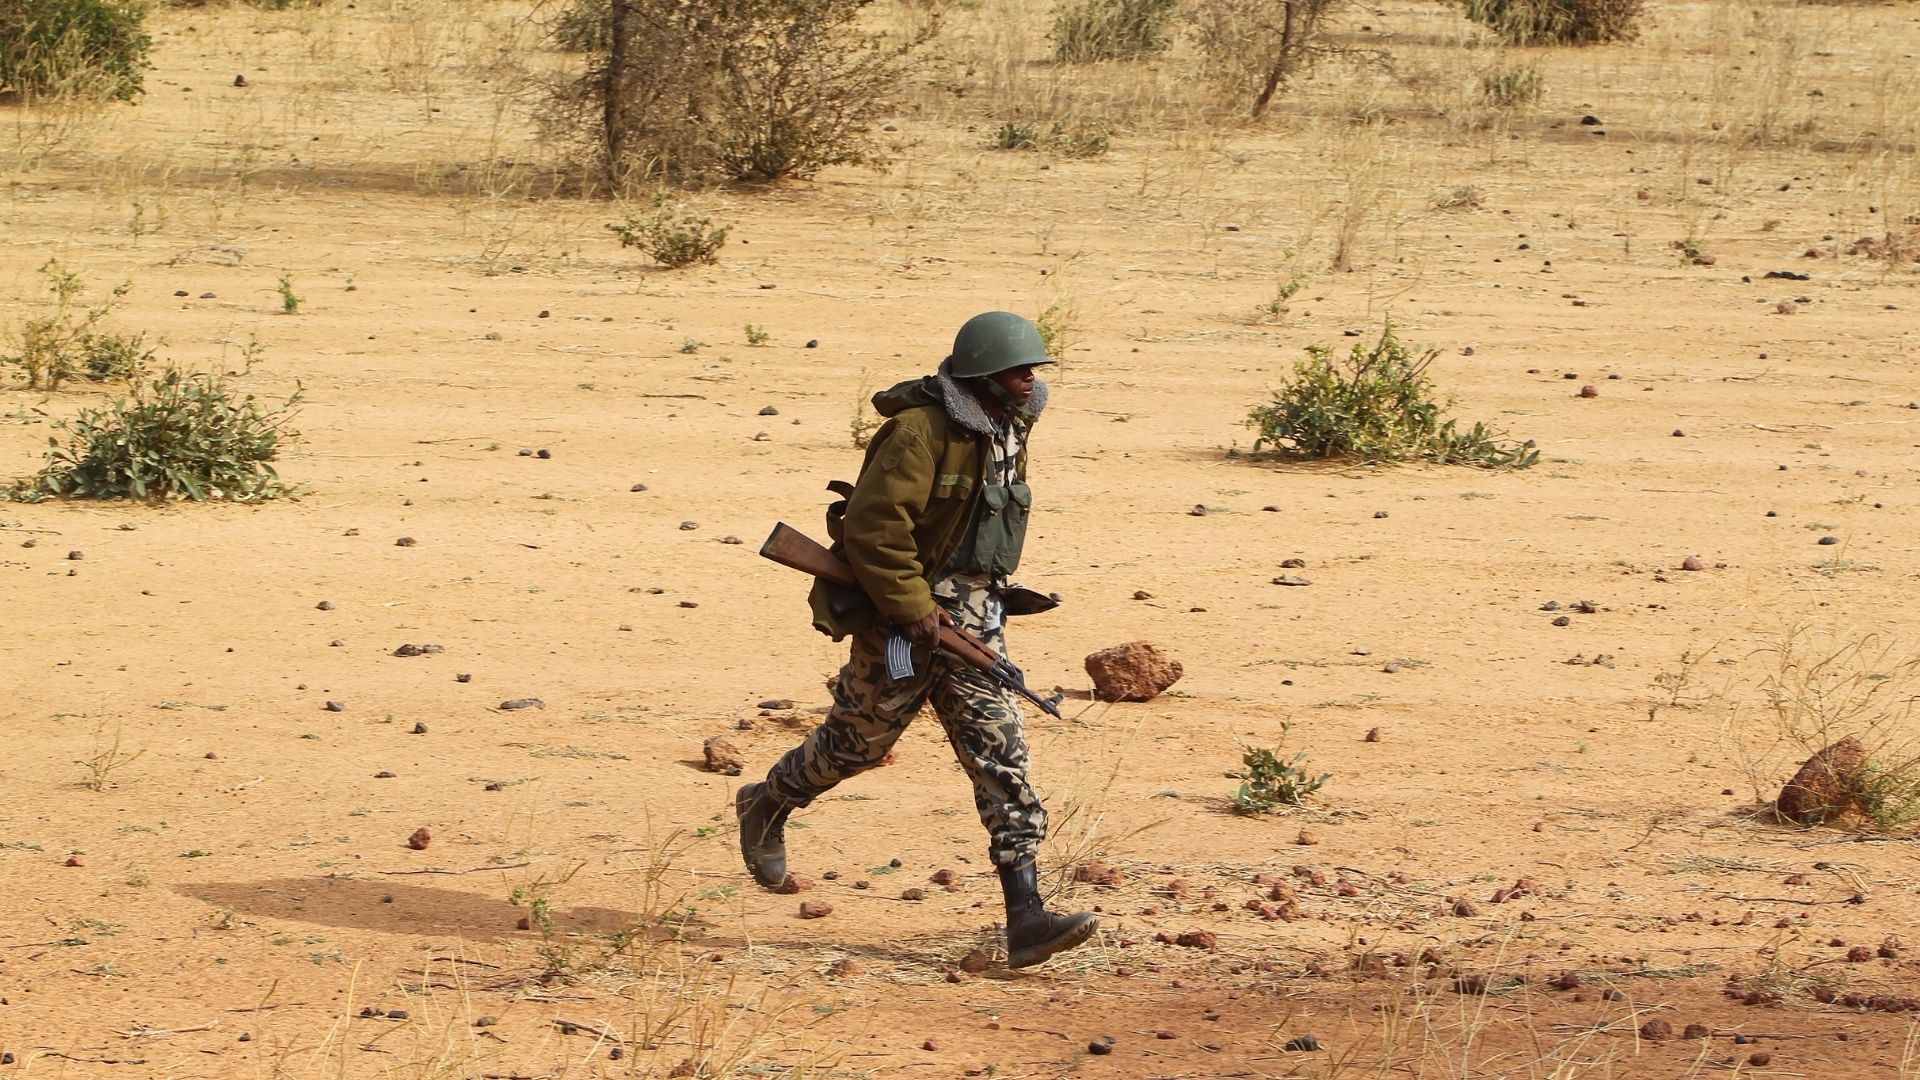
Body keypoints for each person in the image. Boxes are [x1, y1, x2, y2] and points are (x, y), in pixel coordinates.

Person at [735, 311, 1097, 969]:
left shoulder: (1012, 424)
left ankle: (1026, 916)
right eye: (1017, 371)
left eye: (1032, 371)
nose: (1029, 381)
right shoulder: (917, 434)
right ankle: (767, 803)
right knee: (855, 744)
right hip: (902, 620)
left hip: (974, 622)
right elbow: (875, 531)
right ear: (985, 376)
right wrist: (912, 608)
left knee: (1000, 750)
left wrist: (979, 600)